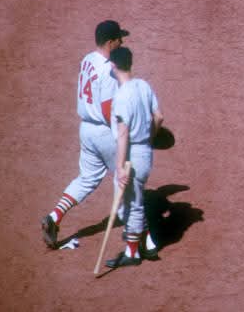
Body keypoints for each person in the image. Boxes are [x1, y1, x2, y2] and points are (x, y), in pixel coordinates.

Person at [41, 20, 129, 249]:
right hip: (103, 131)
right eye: (119, 39)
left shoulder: (87, 60)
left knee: (87, 178)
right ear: (110, 43)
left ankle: (55, 216)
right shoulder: (108, 70)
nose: (123, 42)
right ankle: (136, 234)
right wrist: (121, 139)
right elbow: (109, 109)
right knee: (125, 175)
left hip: (86, 130)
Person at [105, 46, 164, 268]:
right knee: (130, 201)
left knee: (131, 205)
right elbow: (158, 117)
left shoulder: (121, 97)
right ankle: (147, 245)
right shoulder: (144, 85)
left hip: (131, 155)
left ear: (113, 66)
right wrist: (150, 138)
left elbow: (122, 135)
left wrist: (120, 167)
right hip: (145, 151)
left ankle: (132, 253)